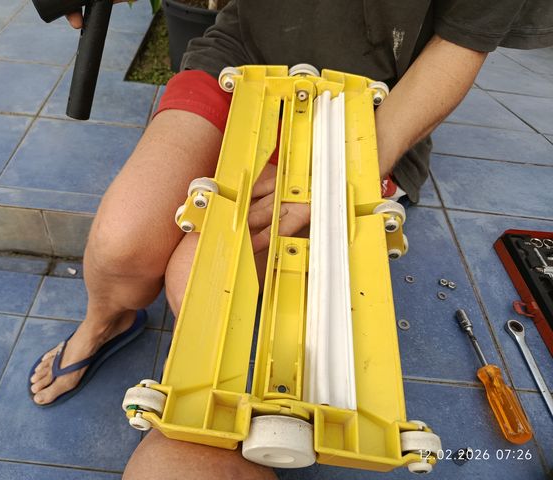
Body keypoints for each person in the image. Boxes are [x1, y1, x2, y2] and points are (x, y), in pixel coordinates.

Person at [28, 1, 553, 478]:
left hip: (363, 110)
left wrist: (339, 174)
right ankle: (106, 322)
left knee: (207, 286)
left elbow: (460, 43)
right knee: (121, 246)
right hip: (238, 64)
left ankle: (210, 421)